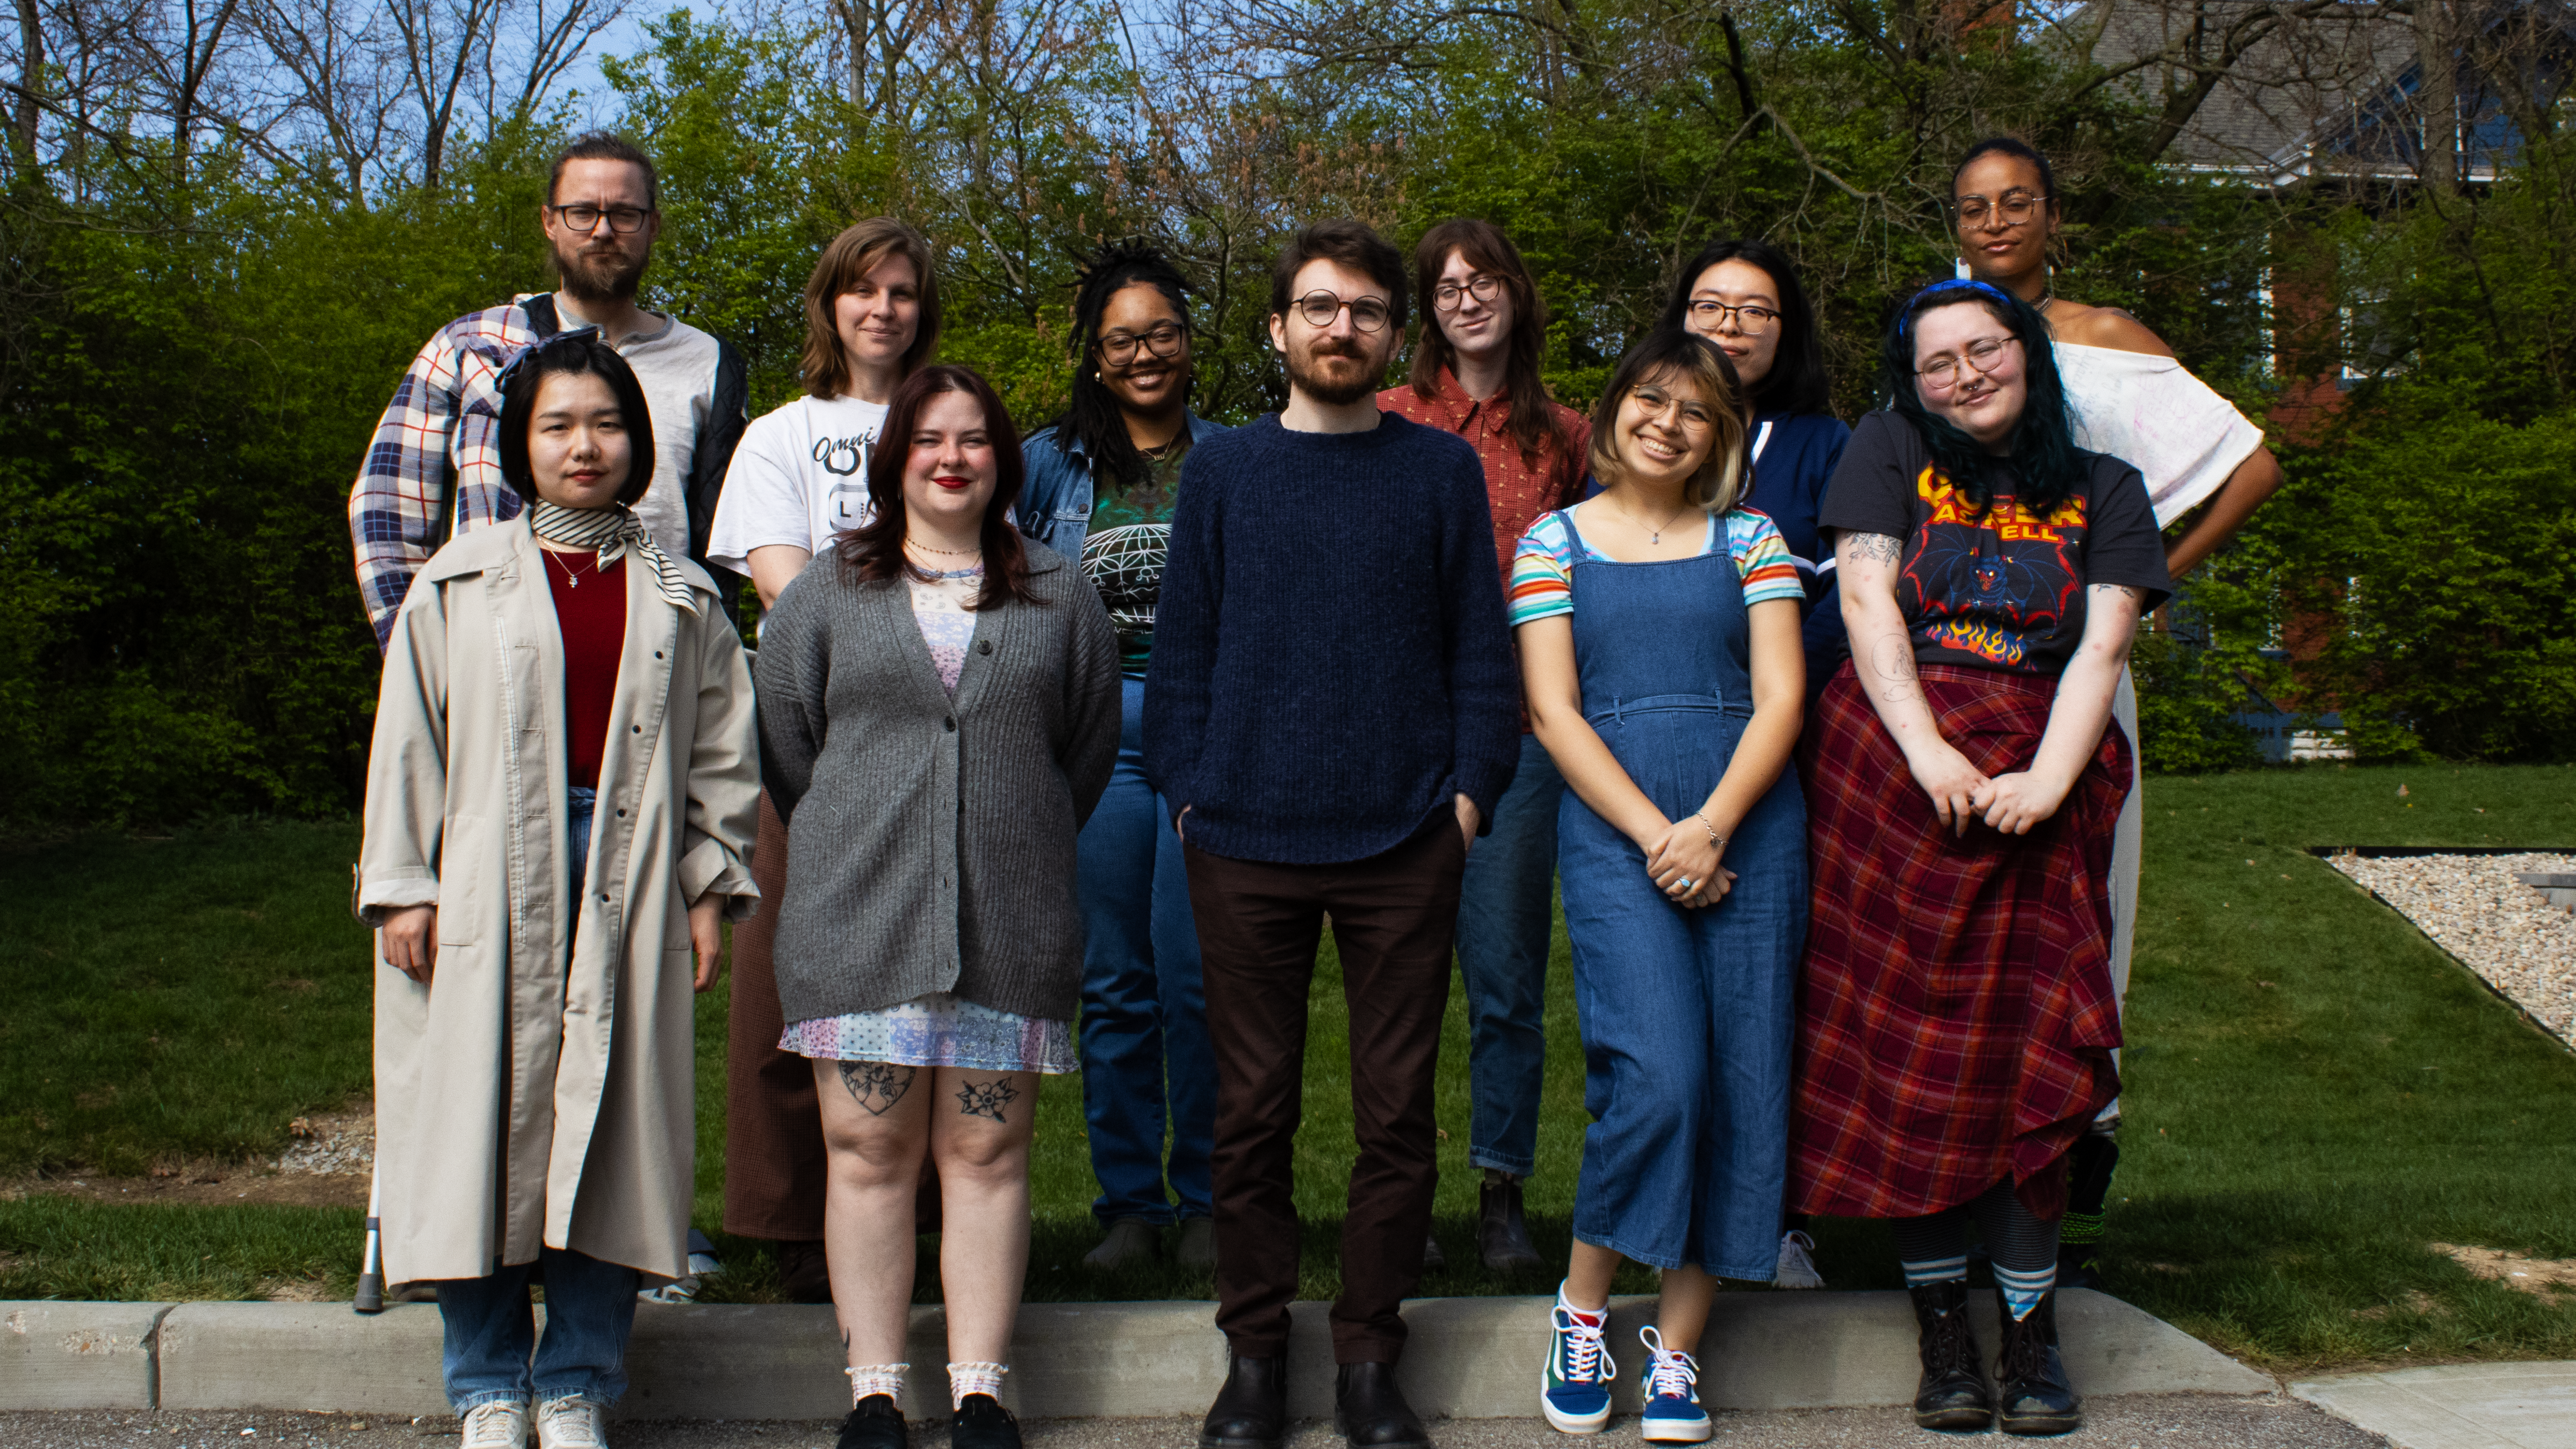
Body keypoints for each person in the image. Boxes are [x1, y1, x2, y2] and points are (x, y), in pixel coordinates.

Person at [1148, 219, 1519, 1449]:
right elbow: (1185, 644)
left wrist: (1469, 794)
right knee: (1248, 1112)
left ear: (1390, 333)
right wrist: (1187, 793)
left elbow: (1481, 644)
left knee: (1395, 1115)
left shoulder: (1435, 473)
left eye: (1364, 309)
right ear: (1277, 330)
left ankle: (1368, 1357)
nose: (1342, 327)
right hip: (1242, 835)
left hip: (1404, 836)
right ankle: (1254, 1357)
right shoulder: (1226, 472)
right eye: (1318, 307)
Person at [356, 331, 761, 1449]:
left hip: (629, 869)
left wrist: (706, 886)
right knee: (472, 1127)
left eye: (608, 423)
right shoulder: (460, 579)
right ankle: (489, 1382)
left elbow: (723, 757)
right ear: (518, 444)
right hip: (484, 871)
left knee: (614, 1125)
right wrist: (404, 886)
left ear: (638, 441)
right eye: (559, 425)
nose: (586, 446)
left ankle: (577, 1376)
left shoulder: (683, 596)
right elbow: (409, 742)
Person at [1793, 279, 2170, 1437]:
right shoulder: (1887, 449)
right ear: (1911, 381)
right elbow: (1867, 601)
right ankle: (1944, 1337)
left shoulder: (2107, 487)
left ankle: (2032, 1330)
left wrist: (2047, 784)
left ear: (2026, 351)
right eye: (1936, 360)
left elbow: (2101, 643)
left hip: (2042, 780)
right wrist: (1930, 758)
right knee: (1914, 1063)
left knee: (2028, 1065)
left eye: (1983, 349)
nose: (1963, 374)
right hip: (1893, 787)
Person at [755, 364, 1121, 1449]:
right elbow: (790, 752)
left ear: (1002, 460)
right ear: (894, 458)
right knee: (865, 1151)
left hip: (1009, 925)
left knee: (987, 1154)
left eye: (972, 440)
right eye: (928, 439)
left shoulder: (1061, 593)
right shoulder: (827, 591)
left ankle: (979, 1388)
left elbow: (1084, 754)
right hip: (856, 920)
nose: (951, 457)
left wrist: (1005, 828)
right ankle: (873, 1390)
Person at [1951, 136, 2284, 1288]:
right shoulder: (1940, 343)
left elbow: (2250, 463)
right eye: (1975, 208)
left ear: (2051, 215)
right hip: (1963, 668)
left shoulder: (2106, 343)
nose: (1995, 223)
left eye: (2016, 203)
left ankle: (2075, 1183)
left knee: (2095, 915)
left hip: (2082, 661)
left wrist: (2147, 578)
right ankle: (1962, 1191)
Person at [1512, 330, 1810, 1443]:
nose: (1668, 423)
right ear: (1613, 410)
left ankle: (1676, 1351)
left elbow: (1782, 695)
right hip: (1615, 833)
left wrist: (1716, 823)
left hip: (1752, 825)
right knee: (1659, 1076)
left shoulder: (1752, 538)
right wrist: (1659, 838)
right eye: (1651, 399)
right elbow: (1552, 713)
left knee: (1740, 1082)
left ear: (1720, 436)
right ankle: (1582, 1307)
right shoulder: (1553, 542)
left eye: (1696, 411)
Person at [705, 218, 944, 1303]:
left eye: (901, 291)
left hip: (942, 742)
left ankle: (928, 1216)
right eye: (863, 291)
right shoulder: (780, 436)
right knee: (791, 979)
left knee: (929, 977)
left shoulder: (949, 424)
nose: (882, 308)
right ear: (830, 306)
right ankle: (791, 1219)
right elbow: (783, 588)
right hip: (817, 739)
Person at [1376, 218, 1590, 1275]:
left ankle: (1501, 1188)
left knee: (1503, 976)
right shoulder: (1390, 420)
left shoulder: (1570, 438)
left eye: (1485, 278)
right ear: (1430, 307)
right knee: (1401, 975)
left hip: (1522, 734)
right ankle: (1400, 1194)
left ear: (1517, 293)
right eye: (1447, 284)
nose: (1467, 297)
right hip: (1400, 737)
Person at [1016, 239, 1231, 1273]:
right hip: (1095, 736)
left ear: (1190, 344)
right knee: (1113, 979)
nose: (1145, 352)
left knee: (1199, 978)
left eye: (1162, 333)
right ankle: (1129, 1205)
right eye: (1123, 339)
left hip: (1207, 736)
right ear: (1096, 357)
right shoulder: (1045, 464)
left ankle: (1208, 1201)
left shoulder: (1237, 455)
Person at [350, 131, 749, 650]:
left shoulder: (710, 362)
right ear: (549, 222)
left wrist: (709, 665)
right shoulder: (473, 345)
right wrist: (424, 657)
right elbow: (386, 510)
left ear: (652, 226)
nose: (603, 231)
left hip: (651, 654)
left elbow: (721, 544)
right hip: (492, 651)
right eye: (582, 211)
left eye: (624, 214)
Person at [1658, 237, 1851, 1293]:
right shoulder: (1654, 432)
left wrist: (1760, 691)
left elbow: (1840, 606)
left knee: (1769, 994)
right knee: (1660, 1007)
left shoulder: (1826, 444)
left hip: (1788, 743)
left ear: (1788, 332)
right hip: (1650, 744)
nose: (1728, 326)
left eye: (1754, 311)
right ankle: (1665, 1211)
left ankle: (1777, 1221)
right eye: (1709, 305)